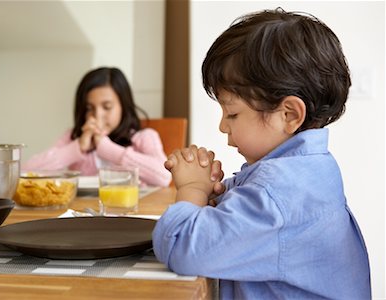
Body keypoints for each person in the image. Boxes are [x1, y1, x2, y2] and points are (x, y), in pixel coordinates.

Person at [153, 8, 371, 299]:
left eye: (232, 113)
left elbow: (181, 247)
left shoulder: (278, 192)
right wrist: (211, 191)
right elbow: (238, 214)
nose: (222, 125)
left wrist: (192, 187)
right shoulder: (308, 170)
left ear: (288, 114)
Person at [22, 67, 171, 187]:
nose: (97, 116)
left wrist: (109, 150)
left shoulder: (144, 137)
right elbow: (25, 172)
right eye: (89, 108)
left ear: (123, 106)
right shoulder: (73, 138)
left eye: (107, 107)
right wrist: (77, 148)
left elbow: (164, 176)